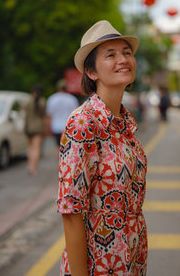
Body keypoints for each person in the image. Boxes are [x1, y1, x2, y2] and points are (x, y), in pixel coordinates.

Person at [57, 20, 148, 275]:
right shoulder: (83, 122)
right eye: (111, 54)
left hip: (131, 259)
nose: (123, 59)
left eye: (126, 52)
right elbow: (71, 211)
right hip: (98, 264)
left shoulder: (126, 121)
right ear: (92, 72)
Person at [46, 79, 79, 150]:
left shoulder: (52, 99)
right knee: (67, 147)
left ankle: (58, 160)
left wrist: (48, 128)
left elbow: (49, 116)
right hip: (68, 127)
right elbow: (76, 115)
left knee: (58, 146)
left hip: (56, 127)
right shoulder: (72, 99)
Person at [24, 85, 46, 175]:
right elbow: (43, 115)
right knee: (36, 148)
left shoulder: (27, 101)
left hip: (28, 127)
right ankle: (34, 168)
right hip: (38, 127)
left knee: (30, 147)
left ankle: (29, 166)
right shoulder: (42, 102)